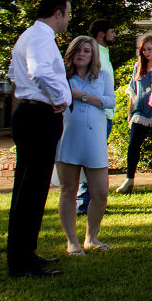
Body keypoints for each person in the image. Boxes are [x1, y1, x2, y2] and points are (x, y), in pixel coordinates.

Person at [7, 0, 73, 278]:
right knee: (31, 190)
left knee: (30, 188)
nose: (69, 19)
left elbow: (14, 73)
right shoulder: (40, 38)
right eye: (68, 13)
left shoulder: (31, 36)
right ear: (57, 13)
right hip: (38, 116)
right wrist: (60, 98)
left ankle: (26, 253)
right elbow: (39, 72)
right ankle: (22, 262)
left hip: (33, 114)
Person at [56, 36, 116, 254]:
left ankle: (91, 237)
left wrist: (81, 96)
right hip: (69, 137)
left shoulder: (102, 76)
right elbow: (59, 99)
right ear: (72, 53)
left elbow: (110, 102)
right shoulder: (64, 77)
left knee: (100, 192)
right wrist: (92, 98)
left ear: (93, 56)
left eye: (87, 51)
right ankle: (71, 241)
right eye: (78, 50)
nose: (82, 54)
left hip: (95, 139)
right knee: (68, 190)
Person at [116, 35, 152, 194]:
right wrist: (130, 112)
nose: (146, 53)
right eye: (143, 50)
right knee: (133, 144)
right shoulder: (138, 66)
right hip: (140, 111)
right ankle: (129, 179)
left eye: (149, 49)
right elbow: (133, 91)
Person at [76, 19, 115, 215]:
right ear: (101, 34)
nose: (114, 35)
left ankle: (90, 202)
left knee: (96, 159)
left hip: (105, 114)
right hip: (95, 115)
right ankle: (84, 203)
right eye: (112, 31)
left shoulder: (104, 55)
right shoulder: (92, 55)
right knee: (91, 160)